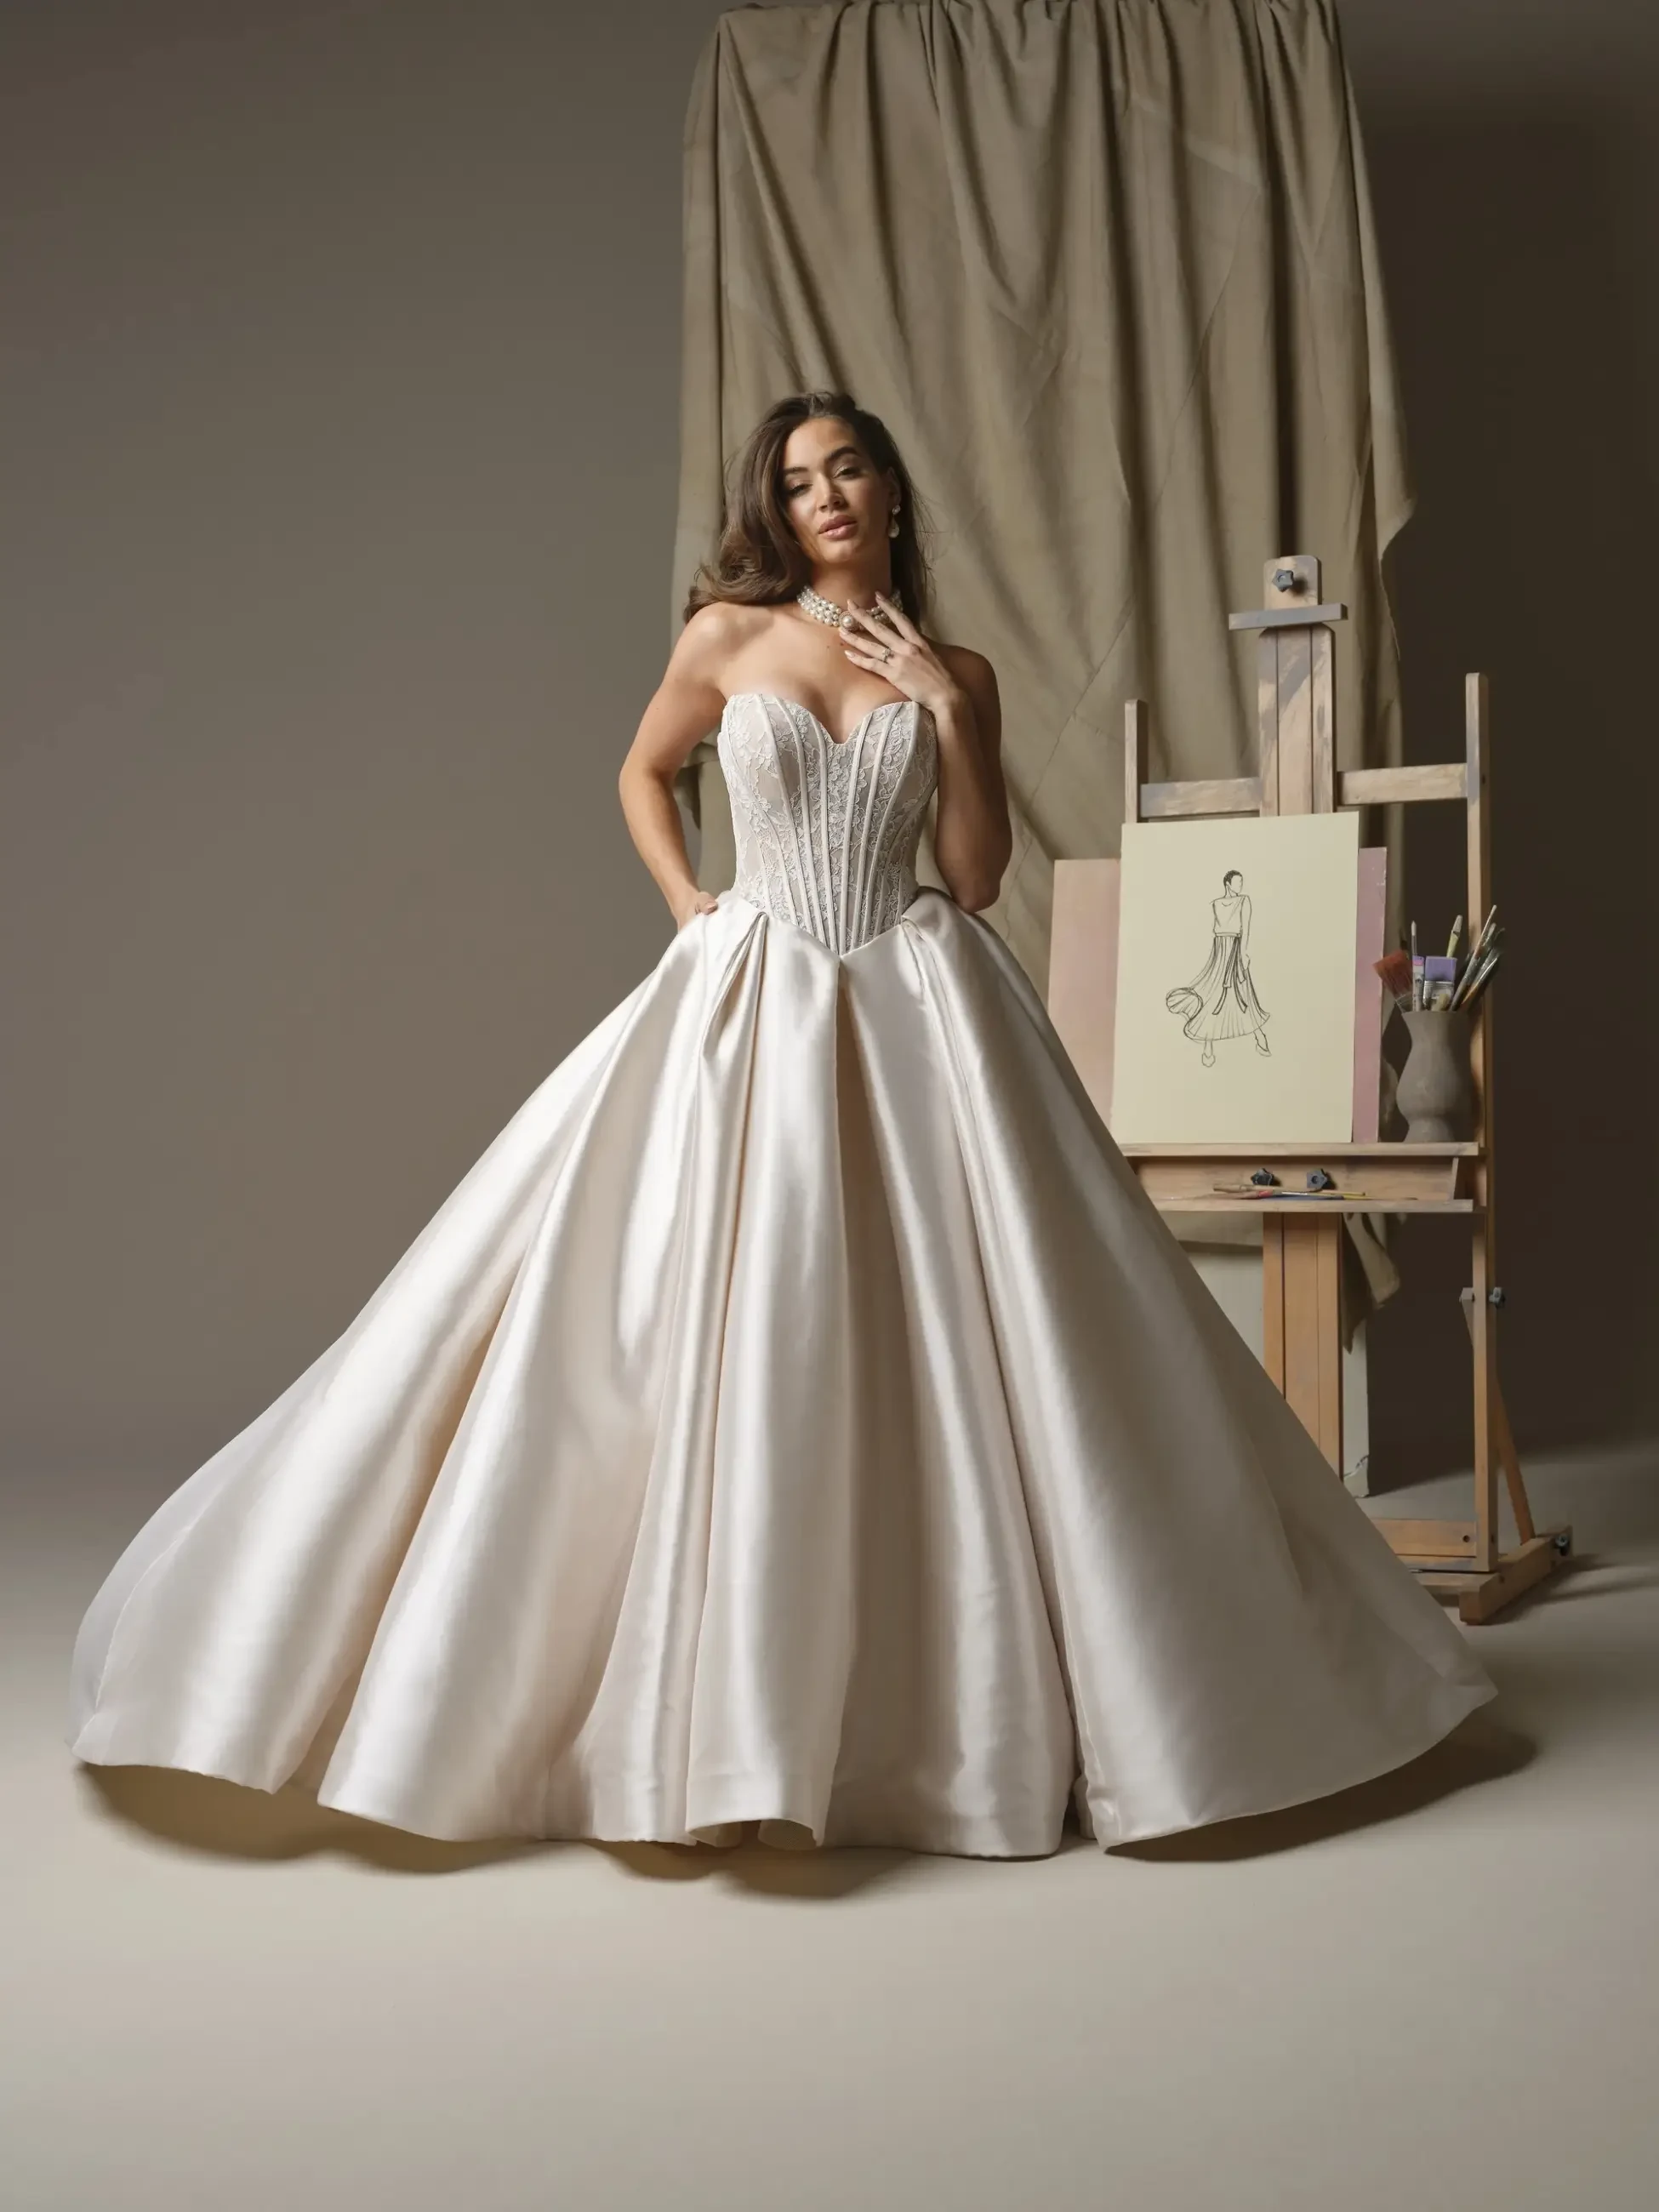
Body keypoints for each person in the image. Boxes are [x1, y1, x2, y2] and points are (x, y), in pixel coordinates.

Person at [68, 391, 1496, 1856]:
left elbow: (981, 872)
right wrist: (694, 902)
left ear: (890, 494)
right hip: (748, 1000)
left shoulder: (961, 669)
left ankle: (954, 1716)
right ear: (780, 505)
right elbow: (641, 772)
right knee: (676, 1319)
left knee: (974, 1335)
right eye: (800, 477)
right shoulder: (727, 639)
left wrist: (945, 711)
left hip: (922, 996)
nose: (825, 494)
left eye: (849, 467)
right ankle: (689, 1713)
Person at [1166, 869, 1273, 1068]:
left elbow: (1246, 930)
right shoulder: (1215, 904)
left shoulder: (1244, 901)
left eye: (1241, 882)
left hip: (1235, 950)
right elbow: (1218, 933)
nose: (1240, 886)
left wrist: (1243, 954)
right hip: (1219, 951)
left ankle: (1259, 1035)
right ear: (1228, 884)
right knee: (1213, 995)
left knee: (1244, 994)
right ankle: (1208, 1044)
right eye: (1237, 882)